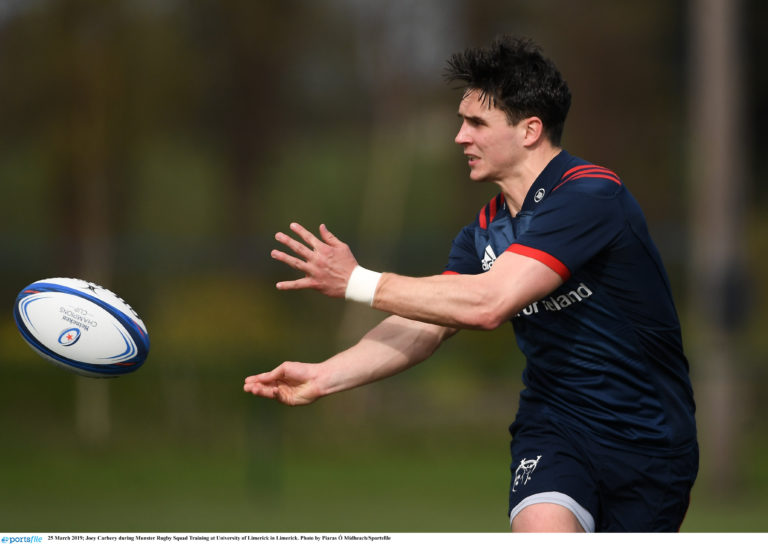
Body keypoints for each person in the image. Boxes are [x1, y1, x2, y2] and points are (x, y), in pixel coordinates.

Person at [244, 35, 698, 533]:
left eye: (477, 123)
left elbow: (489, 303)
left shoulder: (590, 196)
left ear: (529, 130)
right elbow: (425, 326)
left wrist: (356, 281)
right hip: (555, 428)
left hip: (648, 441)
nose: (460, 137)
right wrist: (326, 375)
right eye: (462, 121)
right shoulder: (482, 231)